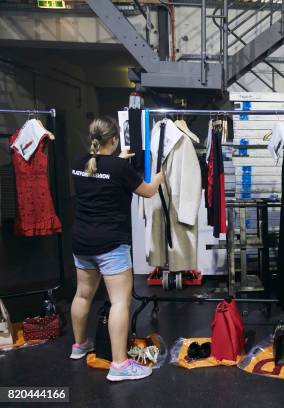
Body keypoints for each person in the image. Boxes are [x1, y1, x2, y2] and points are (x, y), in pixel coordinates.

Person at [69, 117, 163, 381]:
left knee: (83, 295)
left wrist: (117, 160)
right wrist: (159, 177)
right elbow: (147, 192)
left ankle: (79, 346)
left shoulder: (78, 163)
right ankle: (120, 366)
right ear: (115, 139)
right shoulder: (120, 168)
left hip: (82, 242)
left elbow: (100, 172)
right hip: (110, 244)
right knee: (120, 301)